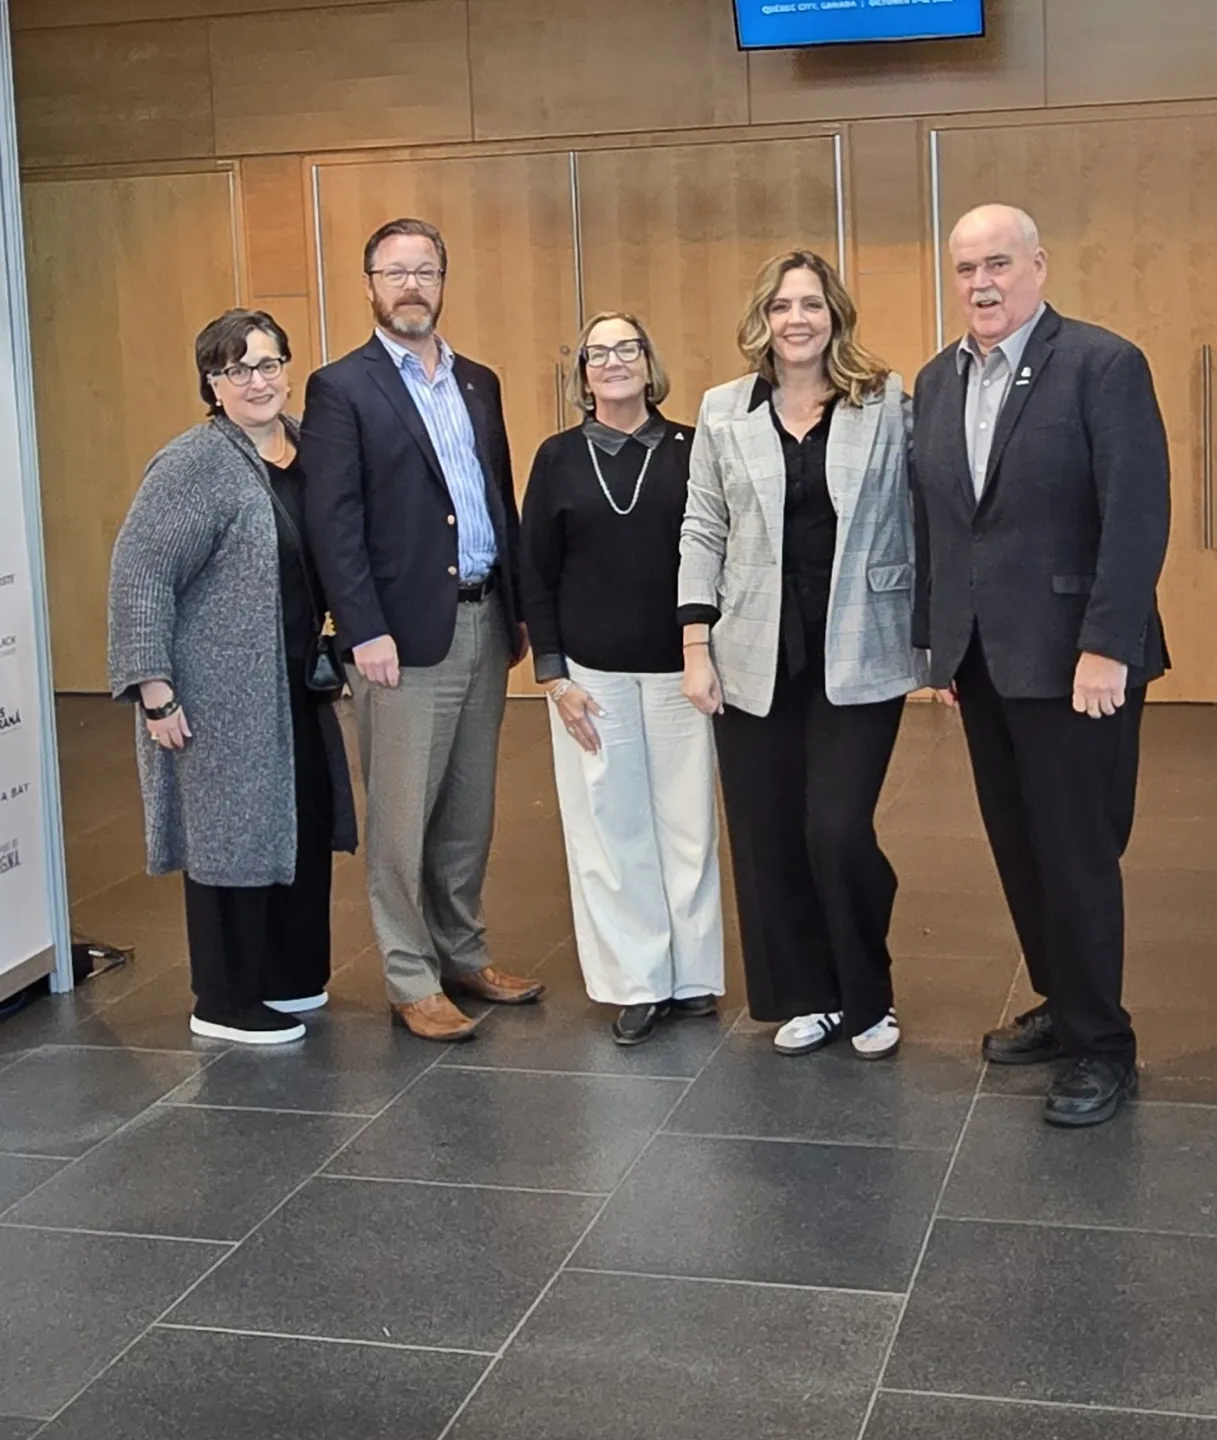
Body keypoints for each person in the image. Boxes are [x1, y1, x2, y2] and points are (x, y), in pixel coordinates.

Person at [911, 203, 1171, 1127]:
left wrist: (1107, 645)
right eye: (966, 268)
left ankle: (1104, 1047)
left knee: (1077, 854)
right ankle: (1064, 1006)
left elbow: (1136, 516)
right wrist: (940, 642)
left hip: (1076, 663)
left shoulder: (1103, 364)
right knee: (1019, 849)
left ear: (1038, 266)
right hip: (985, 660)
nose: (981, 284)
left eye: (999, 264)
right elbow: (942, 523)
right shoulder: (937, 380)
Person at [301, 216, 542, 1042]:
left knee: (469, 809)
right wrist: (361, 628)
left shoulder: (478, 381)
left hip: (482, 622)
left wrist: (518, 610)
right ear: (370, 284)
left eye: (426, 271)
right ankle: (411, 976)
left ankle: (461, 953)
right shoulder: (342, 388)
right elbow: (333, 522)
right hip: (398, 641)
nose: (412, 285)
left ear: (443, 281)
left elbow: (497, 500)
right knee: (402, 821)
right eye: (395, 271)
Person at [681, 248, 921, 1058]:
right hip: (753, 651)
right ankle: (809, 994)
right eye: (782, 306)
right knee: (769, 832)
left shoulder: (883, 401)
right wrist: (695, 644)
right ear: (763, 319)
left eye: (811, 304)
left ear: (835, 316)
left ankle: (868, 994)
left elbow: (922, 510)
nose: (797, 319)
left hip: (862, 646)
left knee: (838, 829)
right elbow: (702, 528)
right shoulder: (724, 408)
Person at [107, 309, 356, 1045]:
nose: (257, 381)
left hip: (295, 683)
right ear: (211, 384)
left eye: (268, 364)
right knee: (230, 838)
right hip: (216, 693)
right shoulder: (195, 464)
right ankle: (224, 1000)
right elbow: (140, 575)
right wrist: (155, 691)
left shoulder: (309, 446)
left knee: (300, 822)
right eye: (236, 369)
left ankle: (289, 976)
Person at [521, 313, 725, 1045]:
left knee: (689, 826)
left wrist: (708, 650)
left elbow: (718, 553)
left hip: (681, 671)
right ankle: (637, 982)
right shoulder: (555, 458)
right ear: (582, 373)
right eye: (597, 352)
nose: (612, 362)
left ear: (649, 362)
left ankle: (692, 976)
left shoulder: (694, 450)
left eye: (626, 348)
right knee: (611, 829)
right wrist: (554, 676)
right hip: (592, 677)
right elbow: (535, 572)